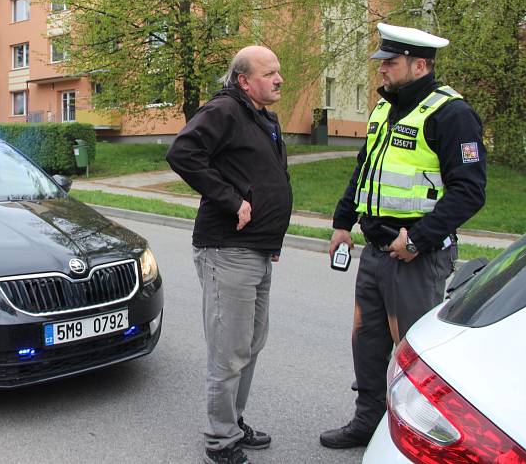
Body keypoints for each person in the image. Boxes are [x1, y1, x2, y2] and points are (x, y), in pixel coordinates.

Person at [320, 23, 487, 449]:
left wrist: (418, 240)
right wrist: (343, 222)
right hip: (376, 253)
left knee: (416, 354)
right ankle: (368, 423)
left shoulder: (452, 113)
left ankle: (424, 437)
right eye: (381, 63)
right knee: (368, 343)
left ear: (420, 65)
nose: (382, 70)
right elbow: (365, 169)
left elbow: (470, 190)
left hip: (416, 258)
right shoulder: (385, 109)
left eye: (390, 63)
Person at [166, 46, 292, 464]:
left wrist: (270, 240)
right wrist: (229, 200)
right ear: (244, 80)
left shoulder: (262, 118)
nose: (278, 79)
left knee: (251, 344)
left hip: (255, 250)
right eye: (269, 73)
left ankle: (233, 424)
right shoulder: (225, 110)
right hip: (227, 250)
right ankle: (220, 441)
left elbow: (262, 177)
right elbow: (183, 152)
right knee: (229, 350)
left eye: (278, 72)